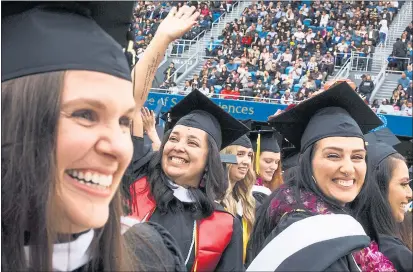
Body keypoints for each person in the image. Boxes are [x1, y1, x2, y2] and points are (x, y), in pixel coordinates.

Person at [1, 2, 194, 271]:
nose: (119, 147)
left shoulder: (150, 258)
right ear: (11, 122)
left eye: (124, 121)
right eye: (86, 115)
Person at [246, 82, 393, 271]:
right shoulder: (308, 239)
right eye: (333, 155)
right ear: (307, 162)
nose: (348, 168)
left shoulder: (332, 224)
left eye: (357, 157)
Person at [125, 90, 248, 271]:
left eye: (192, 143)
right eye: (173, 139)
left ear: (208, 161)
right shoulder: (134, 188)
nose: (178, 147)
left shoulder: (224, 225)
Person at [352, 128, 413, 271]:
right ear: (378, 187)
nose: (410, 193)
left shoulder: (347, 240)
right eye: (403, 184)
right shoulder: (397, 256)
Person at [221, 131, 256, 264]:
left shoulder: (248, 202)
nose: (246, 161)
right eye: (240, 154)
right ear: (225, 157)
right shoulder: (212, 199)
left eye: (249, 156)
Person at [250, 130, 283, 205]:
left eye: (277, 162)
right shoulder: (244, 191)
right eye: (268, 161)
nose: (274, 167)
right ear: (253, 160)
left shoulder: (278, 189)